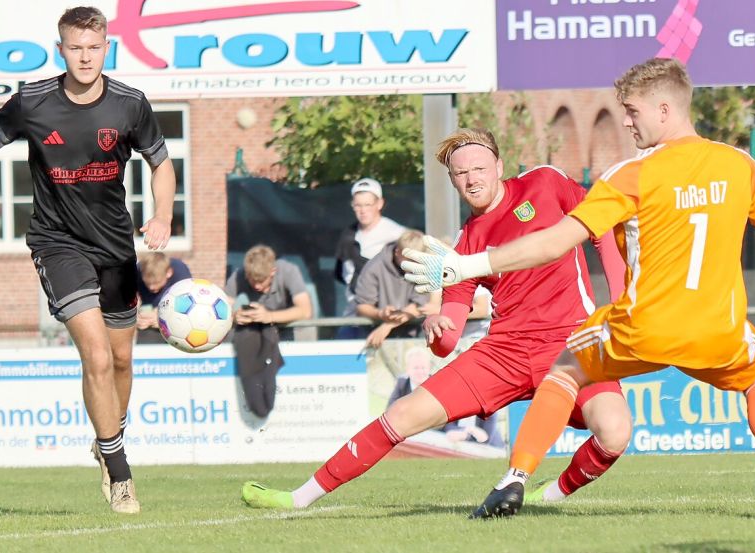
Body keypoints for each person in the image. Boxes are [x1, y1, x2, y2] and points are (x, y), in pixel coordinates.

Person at [402, 58, 755, 519]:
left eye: (631, 112)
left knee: (565, 371)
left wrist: (468, 265)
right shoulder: (740, 165)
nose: (627, 123)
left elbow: (553, 243)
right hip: (719, 330)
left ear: (664, 110)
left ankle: (513, 480)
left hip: (642, 327)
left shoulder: (630, 174)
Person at [240, 128, 632, 513]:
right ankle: (298, 498)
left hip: (569, 343)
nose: (472, 179)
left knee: (615, 434)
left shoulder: (545, 183)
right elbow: (449, 335)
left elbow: (603, 225)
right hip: (505, 352)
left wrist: (618, 300)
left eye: (478, 168)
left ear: (498, 165)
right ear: (452, 180)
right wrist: (437, 330)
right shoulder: (463, 247)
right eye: (461, 173)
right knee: (402, 414)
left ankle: (550, 494)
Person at [0, 7, 174, 514]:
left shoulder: (130, 104)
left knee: (120, 360)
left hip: (116, 248)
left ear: (107, 49)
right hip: (57, 244)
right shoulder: (33, 101)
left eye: (94, 48)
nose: (85, 57)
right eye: (76, 47)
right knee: (95, 355)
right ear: (61, 49)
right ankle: (120, 475)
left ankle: (107, 437)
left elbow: (162, 162)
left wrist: (162, 214)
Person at [225, 245, 313, 419]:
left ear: (273, 271)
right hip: (258, 334)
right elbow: (222, 310)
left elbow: (305, 311)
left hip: (285, 331)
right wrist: (235, 316)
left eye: (262, 282)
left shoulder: (289, 271)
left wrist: (269, 316)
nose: (257, 287)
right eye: (253, 281)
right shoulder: (239, 275)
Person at [334, 177, 406, 336]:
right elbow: (344, 275)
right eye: (358, 205)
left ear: (379, 204)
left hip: (392, 320)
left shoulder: (397, 235)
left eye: (368, 204)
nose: (363, 210)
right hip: (355, 318)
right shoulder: (348, 236)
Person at [354, 229, 440, 349]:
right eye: (409, 259)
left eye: (417, 259)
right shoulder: (373, 268)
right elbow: (362, 306)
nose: (413, 264)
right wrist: (380, 313)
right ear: (397, 252)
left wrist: (388, 325)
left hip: (417, 338)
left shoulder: (426, 267)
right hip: (375, 338)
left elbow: (421, 306)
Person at [135, 252, 191, 344]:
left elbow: (188, 307)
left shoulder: (180, 271)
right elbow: (125, 303)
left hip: (177, 323)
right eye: (148, 283)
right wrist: (136, 319)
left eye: (156, 282)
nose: (151, 287)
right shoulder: (137, 271)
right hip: (149, 323)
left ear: (169, 273)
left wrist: (163, 318)